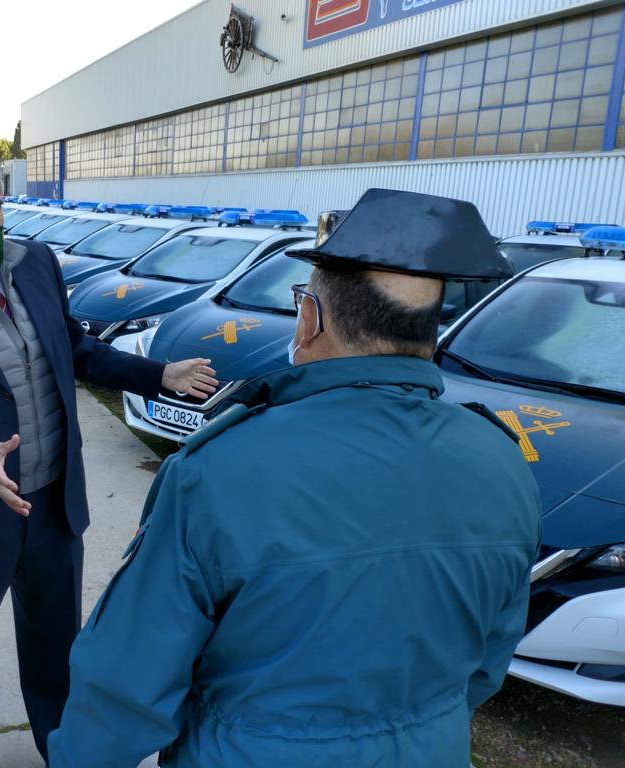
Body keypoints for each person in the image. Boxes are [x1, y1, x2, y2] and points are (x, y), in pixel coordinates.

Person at [48, 189, 542, 767]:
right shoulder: (502, 460)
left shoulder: (218, 472)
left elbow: (126, 681)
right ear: (427, 332)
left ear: (310, 318)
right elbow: (488, 658)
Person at [0, 138, 218, 766]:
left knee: (57, 659)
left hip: (52, 512)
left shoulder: (36, 264)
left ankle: (63, 753)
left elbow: (73, 350)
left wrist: (158, 375)